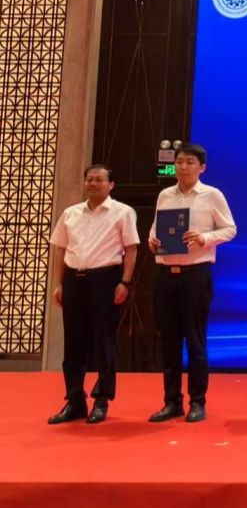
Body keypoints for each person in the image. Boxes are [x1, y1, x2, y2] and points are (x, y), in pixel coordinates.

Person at [147, 143, 236, 424]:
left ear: (202, 167)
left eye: (189, 162)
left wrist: (205, 238)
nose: (183, 167)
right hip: (165, 274)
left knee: (195, 340)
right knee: (169, 341)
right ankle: (172, 401)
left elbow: (230, 229)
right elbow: (155, 228)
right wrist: (152, 240)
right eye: (179, 162)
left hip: (196, 274)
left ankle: (197, 401)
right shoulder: (165, 195)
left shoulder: (212, 195)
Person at [46, 164, 139, 425]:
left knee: (104, 340)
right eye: (89, 179)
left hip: (106, 279)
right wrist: (59, 284)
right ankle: (75, 400)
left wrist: (125, 282)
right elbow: (60, 249)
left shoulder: (123, 212)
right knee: (73, 342)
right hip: (74, 280)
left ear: (111, 184)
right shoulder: (70, 213)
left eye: (99, 179)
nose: (93, 184)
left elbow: (131, 249)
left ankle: (101, 399)